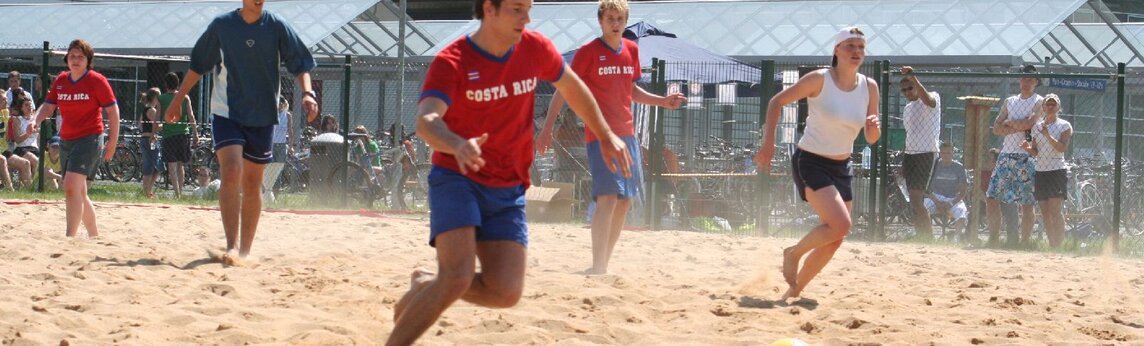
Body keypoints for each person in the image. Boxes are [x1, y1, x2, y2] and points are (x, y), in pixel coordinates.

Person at [387, 0, 632, 344]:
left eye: (528, 9)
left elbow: (573, 88)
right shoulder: (452, 60)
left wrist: (606, 136)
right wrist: (456, 143)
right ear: (490, 9)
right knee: (456, 276)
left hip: (509, 185)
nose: (527, 18)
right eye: (517, 9)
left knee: (505, 292)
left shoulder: (535, 47)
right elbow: (426, 121)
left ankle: (428, 285)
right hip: (458, 178)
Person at [535, 0, 685, 275]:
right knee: (607, 199)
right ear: (601, 22)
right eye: (610, 19)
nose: (615, 24)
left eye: (619, 19)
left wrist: (663, 101)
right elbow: (563, 90)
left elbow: (631, 90)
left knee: (625, 201)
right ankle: (598, 265)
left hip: (628, 136)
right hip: (600, 135)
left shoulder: (631, 50)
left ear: (626, 21)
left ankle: (603, 261)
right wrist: (547, 129)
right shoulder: (588, 52)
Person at [165, 0, 317, 264]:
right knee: (232, 170)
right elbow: (198, 66)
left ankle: (245, 250)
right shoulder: (222, 26)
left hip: (263, 115)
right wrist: (178, 100)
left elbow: (300, 63)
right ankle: (232, 246)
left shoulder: (276, 26)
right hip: (227, 111)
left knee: (252, 182)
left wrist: (308, 93)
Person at [753, 26, 880, 300]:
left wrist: (874, 128)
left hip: (842, 164)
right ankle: (793, 253)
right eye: (850, 46)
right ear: (837, 50)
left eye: (861, 47)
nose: (857, 52)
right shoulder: (819, 79)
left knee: (835, 238)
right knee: (841, 225)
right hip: (810, 161)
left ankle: (793, 291)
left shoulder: (870, 86)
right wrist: (768, 144)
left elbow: (871, 138)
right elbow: (776, 102)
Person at [32, 38, 121, 237]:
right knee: (78, 191)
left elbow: (113, 112)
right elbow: (48, 106)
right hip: (67, 139)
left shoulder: (97, 80)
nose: (76, 60)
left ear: (88, 60)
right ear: (66, 60)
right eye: (72, 56)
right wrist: (35, 120)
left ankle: (69, 238)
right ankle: (94, 235)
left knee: (70, 186)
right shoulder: (61, 80)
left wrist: (112, 142)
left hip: (89, 138)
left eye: (80, 56)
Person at [986, 64, 1043, 246]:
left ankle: (1024, 242)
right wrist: (1016, 125)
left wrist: (1010, 123)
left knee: (1027, 202)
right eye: (1024, 78)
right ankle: (993, 239)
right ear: (1020, 80)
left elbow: (1030, 124)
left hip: (1027, 155)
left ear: (1036, 82)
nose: (1026, 82)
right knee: (992, 197)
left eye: (1030, 79)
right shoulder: (1009, 101)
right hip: (1006, 155)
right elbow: (996, 128)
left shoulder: (1039, 101)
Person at [1020, 93, 1071, 248]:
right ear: (1043, 107)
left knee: (1055, 210)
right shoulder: (1037, 127)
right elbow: (1035, 151)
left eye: (1053, 104)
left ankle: (1059, 245)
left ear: (1058, 107)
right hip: (1041, 171)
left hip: (1056, 170)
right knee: (1045, 212)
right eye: (1047, 104)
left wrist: (1048, 135)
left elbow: (1061, 148)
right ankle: (1052, 245)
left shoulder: (1064, 126)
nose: (1050, 107)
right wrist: (1027, 148)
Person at [898, 66, 941, 240]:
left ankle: (928, 237)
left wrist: (913, 76)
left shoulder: (933, 96)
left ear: (916, 85)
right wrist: (904, 161)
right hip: (910, 154)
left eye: (910, 87)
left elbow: (928, 100)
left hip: (926, 152)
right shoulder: (908, 108)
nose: (908, 92)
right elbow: (909, 134)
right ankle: (920, 236)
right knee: (912, 199)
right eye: (904, 90)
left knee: (916, 198)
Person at [158, 72, 197, 198]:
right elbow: (191, 116)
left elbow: (157, 118)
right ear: (178, 84)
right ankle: (180, 190)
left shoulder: (162, 98)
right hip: (183, 134)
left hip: (169, 135)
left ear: (165, 84)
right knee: (181, 164)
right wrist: (195, 133)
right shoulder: (185, 98)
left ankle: (177, 192)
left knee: (172, 165)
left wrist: (154, 132)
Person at [923, 142, 968, 234]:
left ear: (953, 154)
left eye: (948, 153)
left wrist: (951, 203)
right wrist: (937, 202)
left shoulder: (959, 167)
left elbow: (963, 192)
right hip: (935, 197)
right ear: (940, 154)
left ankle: (957, 238)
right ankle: (926, 235)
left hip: (953, 199)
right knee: (922, 210)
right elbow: (926, 189)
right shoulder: (934, 166)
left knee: (962, 214)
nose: (946, 155)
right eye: (943, 153)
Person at [139, 88, 162, 198]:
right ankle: (146, 192)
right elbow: (156, 126)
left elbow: (140, 125)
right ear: (155, 98)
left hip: (147, 139)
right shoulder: (151, 110)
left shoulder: (145, 109)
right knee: (149, 167)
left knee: (156, 168)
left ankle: (148, 190)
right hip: (149, 139)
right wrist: (166, 125)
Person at [11, 96, 41, 178]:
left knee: (40, 162)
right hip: (22, 149)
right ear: (21, 108)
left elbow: (39, 138)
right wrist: (28, 133)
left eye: (30, 105)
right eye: (26, 105)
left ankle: (33, 185)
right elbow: (17, 140)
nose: (29, 107)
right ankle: (31, 186)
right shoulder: (18, 120)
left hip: (35, 148)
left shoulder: (36, 120)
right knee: (35, 161)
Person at [271, 96, 294, 163]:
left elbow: (290, 131)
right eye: (278, 103)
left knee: (280, 166)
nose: (280, 105)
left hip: (282, 144)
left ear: (284, 104)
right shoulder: (270, 114)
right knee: (270, 167)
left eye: (281, 103)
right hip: (271, 144)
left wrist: (291, 146)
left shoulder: (287, 115)